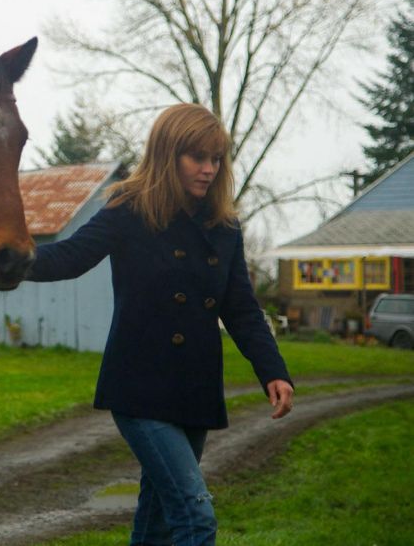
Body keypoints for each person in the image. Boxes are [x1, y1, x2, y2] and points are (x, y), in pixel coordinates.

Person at [26, 103, 294, 546]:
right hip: (140, 389)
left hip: (195, 389)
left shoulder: (223, 226)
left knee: (157, 526)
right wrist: (11, 258)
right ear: (168, 155)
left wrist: (274, 370)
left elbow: (241, 308)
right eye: (197, 158)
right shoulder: (130, 210)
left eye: (216, 159)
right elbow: (70, 257)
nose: (208, 170)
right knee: (195, 518)